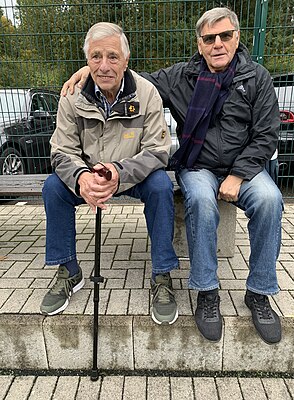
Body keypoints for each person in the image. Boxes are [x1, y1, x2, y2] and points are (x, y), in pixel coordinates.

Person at [62, 8, 283, 344]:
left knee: (270, 200)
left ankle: (259, 292)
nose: (218, 44)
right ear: (199, 43)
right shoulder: (182, 76)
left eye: (225, 36)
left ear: (237, 38)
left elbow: (267, 135)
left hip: (245, 167)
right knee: (202, 202)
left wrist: (238, 175)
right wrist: (93, 71)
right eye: (209, 38)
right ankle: (207, 292)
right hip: (198, 165)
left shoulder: (258, 78)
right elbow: (131, 78)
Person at [40, 22, 179, 326]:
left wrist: (119, 171)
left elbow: (159, 150)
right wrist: (81, 178)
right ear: (87, 60)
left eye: (113, 57)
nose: (104, 66)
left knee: (160, 186)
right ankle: (68, 270)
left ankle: (162, 274)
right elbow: (61, 151)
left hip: (132, 173)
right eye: (96, 57)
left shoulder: (147, 93)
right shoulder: (71, 96)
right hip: (89, 173)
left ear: (126, 60)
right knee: (53, 187)